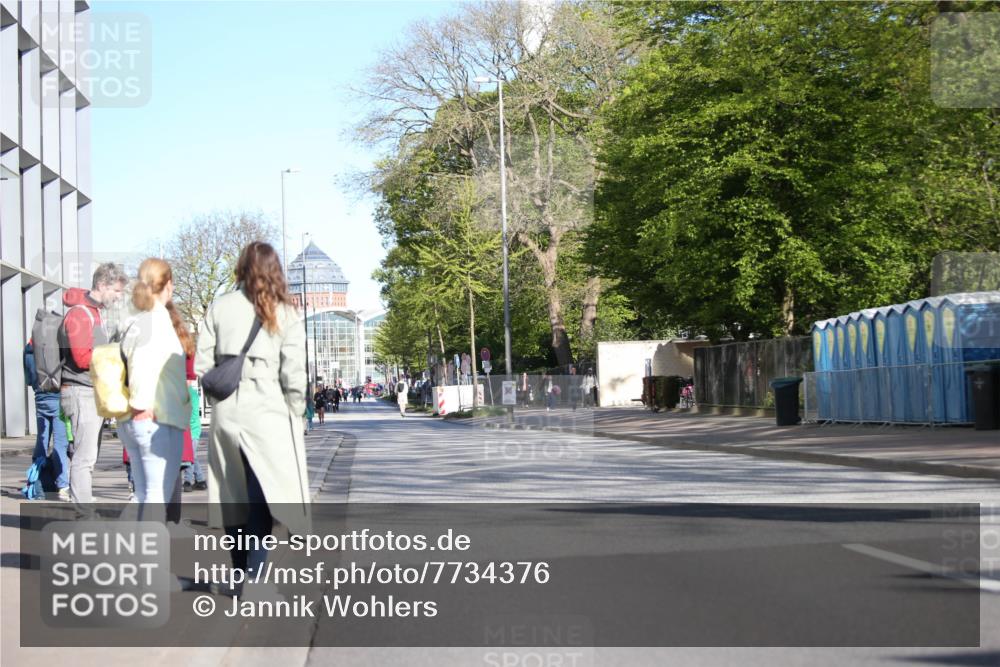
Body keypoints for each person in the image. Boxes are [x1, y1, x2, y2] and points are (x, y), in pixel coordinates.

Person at [196, 241, 310, 599]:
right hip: (269, 413)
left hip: (227, 412)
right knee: (263, 496)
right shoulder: (285, 313)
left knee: (234, 496)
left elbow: (202, 365)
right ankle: (255, 581)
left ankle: (240, 574)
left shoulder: (219, 307)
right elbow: (294, 373)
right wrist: (296, 412)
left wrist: (220, 397)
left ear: (242, 267)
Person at [117, 258, 192, 521]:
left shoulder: (137, 320)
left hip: (138, 418)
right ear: (168, 285)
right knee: (155, 498)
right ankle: (149, 560)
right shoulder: (157, 320)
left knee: (144, 496)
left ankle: (129, 555)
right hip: (155, 417)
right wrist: (143, 405)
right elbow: (142, 364)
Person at [59, 262, 128, 506]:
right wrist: (112, 357)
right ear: (101, 286)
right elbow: (80, 357)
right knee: (84, 456)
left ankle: (83, 506)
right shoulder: (80, 313)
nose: (119, 297)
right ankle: (82, 511)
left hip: (88, 391)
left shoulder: (92, 313)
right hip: (81, 391)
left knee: (88, 455)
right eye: (116, 291)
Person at [23, 329, 70, 501]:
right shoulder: (57, 346)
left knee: (41, 441)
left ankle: (37, 483)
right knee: (60, 444)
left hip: (40, 398)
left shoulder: (30, 347)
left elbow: (29, 378)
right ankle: (63, 485)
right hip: (57, 398)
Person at [182, 355, 207, 492]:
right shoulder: (192, 392)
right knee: (192, 456)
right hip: (195, 430)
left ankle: (187, 481)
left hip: (191, 431)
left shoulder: (188, 394)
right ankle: (201, 479)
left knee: (189, 457)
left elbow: (188, 414)